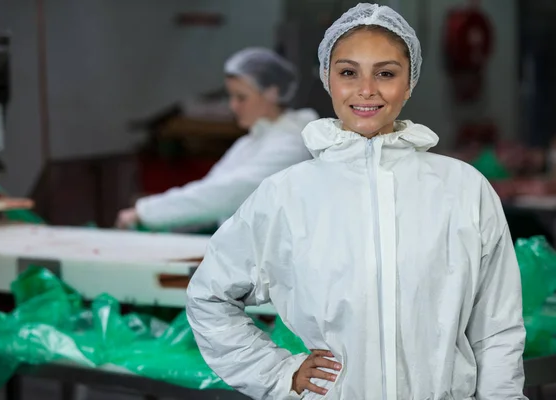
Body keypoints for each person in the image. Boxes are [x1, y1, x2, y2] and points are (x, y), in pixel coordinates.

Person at [186, 4, 526, 400]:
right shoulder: (287, 194)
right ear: (328, 80)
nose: (366, 89)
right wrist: (279, 373)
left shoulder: (464, 188)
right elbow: (208, 296)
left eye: (386, 73)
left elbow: (496, 327)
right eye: (348, 73)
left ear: (409, 82)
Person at [116, 48, 318, 231]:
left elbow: (226, 194)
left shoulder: (292, 144)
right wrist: (157, 218)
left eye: (241, 97)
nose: (233, 106)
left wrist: (148, 212)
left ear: (273, 93)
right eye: (231, 97)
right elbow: (209, 194)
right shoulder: (249, 143)